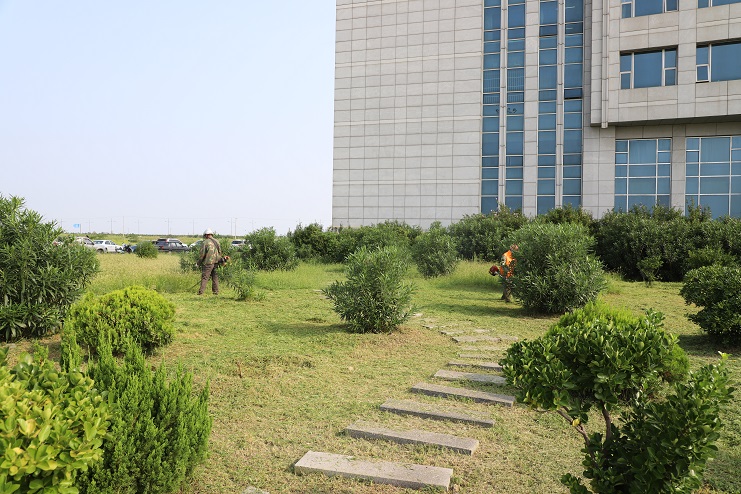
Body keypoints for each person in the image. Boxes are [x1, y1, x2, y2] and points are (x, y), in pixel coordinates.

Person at [197, 228, 222, 295]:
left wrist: (198, 263)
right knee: (215, 277)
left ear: (206, 235)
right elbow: (220, 253)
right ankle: (216, 292)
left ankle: (201, 292)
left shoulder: (205, 242)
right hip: (216, 262)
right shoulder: (217, 241)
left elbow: (202, 255)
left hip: (208, 263)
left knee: (205, 277)